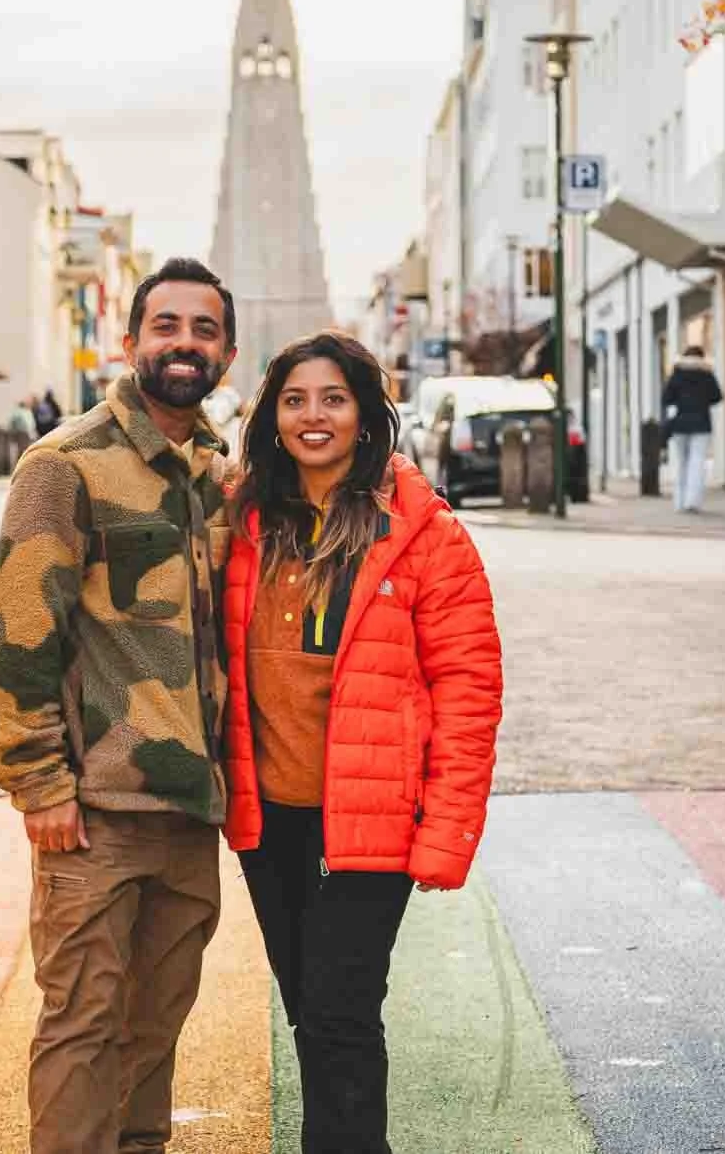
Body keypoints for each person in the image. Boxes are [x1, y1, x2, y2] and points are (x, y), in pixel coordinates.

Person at [223, 330, 503, 1153]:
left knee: (341, 1011)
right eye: (294, 400)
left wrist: (447, 830)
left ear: (365, 414)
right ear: (272, 418)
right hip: (270, 819)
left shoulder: (424, 532)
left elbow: (469, 688)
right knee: (309, 1010)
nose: (313, 416)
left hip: (372, 821)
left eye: (333, 399)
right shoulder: (242, 522)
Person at [0, 257, 237, 1154]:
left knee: (154, 1027)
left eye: (204, 329)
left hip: (189, 810)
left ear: (226, 353)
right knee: (83, 1022)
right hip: (93, 811)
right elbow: (20, 629)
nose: (185, 343)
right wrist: (40, 782)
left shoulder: (217, 474)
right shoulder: (64, 465)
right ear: (130, 342)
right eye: (166, 325)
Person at [661, 345, 724, 513]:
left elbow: (666, 398)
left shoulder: (677, 373)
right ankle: (692, 502)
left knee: (681, 463)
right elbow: (717, 396)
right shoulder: (706, 374)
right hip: (701, 423)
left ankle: (679, 502)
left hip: (680, 423)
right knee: (697, 462)